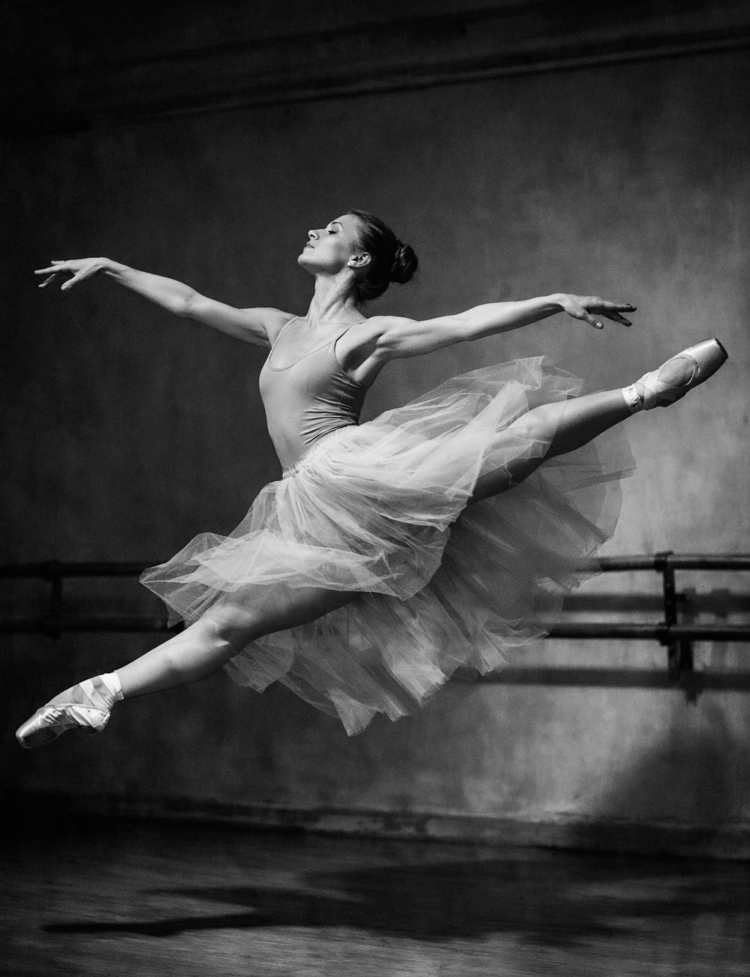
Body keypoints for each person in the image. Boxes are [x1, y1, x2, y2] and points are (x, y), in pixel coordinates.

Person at [16, 210, 727, 743]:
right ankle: (101, 689)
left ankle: (646, 392)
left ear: (355, 258)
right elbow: (191, 303)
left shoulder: (366, 335)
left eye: (328, 228)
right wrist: (112, 266)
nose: (311, 229)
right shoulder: (278, 325)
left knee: (504, 449)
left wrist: (552, 300)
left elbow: (465, 323)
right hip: (307, 506)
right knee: (229, 621)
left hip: (363, 473)